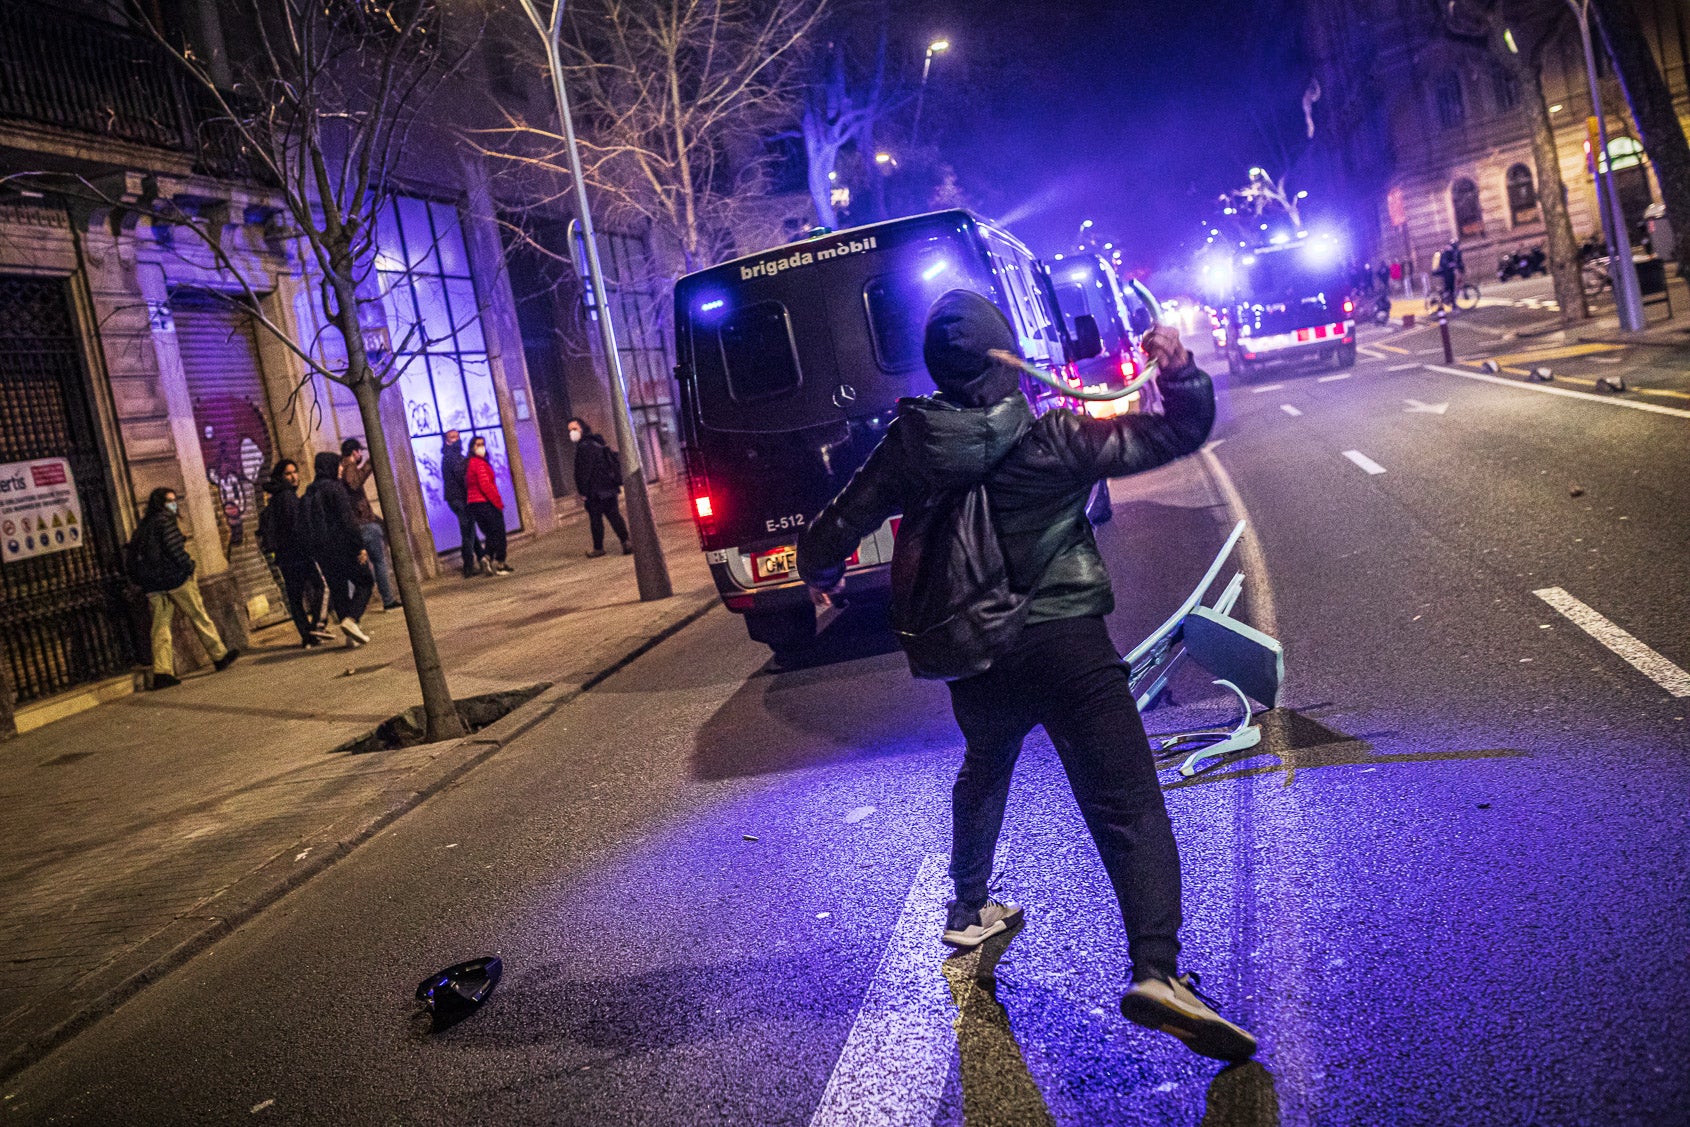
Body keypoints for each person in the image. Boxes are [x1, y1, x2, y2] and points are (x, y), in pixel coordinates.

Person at [796, 290, 1256, 1064]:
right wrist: (1178, 373)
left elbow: (834, 527)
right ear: (1006, 355)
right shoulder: (1056, 436)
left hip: (979, 656)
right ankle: (1156, 971)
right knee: (1128, 802)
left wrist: (822, 569)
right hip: (1069, 647)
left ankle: (969, 906)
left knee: (985, 766)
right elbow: (1179, 429)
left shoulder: (911, 443)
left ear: (940, 366)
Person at [127, 487, 239, 688]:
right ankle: (219, 655)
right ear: (161, 504)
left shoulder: (142, 527)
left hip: (153, 585)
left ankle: (162, 672)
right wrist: (188, 566)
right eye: (170, 501)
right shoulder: (165, 522)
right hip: (175, 580)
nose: (174, 504)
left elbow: (133, 557)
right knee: (198, 615)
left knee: (160, 627)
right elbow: (174, 549)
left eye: (174, 499)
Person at [258, 460, 330, 648]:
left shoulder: (275, 497)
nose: (294, 476)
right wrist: (310, 547)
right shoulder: (288, 497)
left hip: (285, 557)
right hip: (299, 553)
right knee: (322, 586)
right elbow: (296, 527)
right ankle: (317, 626)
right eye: (288, 473)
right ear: (281, 477)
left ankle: (307, 635)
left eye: (295, 471)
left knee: (295, 596)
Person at [306, 451, 373, 645]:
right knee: (365, 581)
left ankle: (350, 636)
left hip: (323, 552)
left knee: (339, 590)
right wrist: (359, 546)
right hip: (343, 546)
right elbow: (348, 521)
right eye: (338, 465)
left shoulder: (311, 491)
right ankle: (352, 620)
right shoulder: (335, 489)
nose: (341, 468)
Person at [339, 437, 400, 610]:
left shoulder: (340, 469)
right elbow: (354, 484)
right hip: (363, 524)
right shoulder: (349, 467)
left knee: (354, 565)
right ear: (354, 452)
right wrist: (369, 464)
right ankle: (387, 600)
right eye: (360, 452)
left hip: (357, 524)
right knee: (378, 561)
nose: (360, 455)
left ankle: (349, 606)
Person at [568, 417, 629, 558]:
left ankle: (598, 548)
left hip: (595, 491)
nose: (571, 433)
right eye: (570, 430)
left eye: (574, 429)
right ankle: (626, 541)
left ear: (582, 429)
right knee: (614, 516)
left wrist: (583, 491)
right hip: (608, 487)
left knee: (596, 520)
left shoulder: (584, 447)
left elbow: (584, 472)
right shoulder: (597, 442)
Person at [464, 435, 512, 575]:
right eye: (478, 444)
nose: (481, 447)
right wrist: (497, 502)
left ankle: (487, 558)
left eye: (483, 444)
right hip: (485, 502)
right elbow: (485, 485)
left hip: (475, 503)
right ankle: (499, 562)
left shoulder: (471, 463)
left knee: (491, 533)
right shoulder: (478, 464)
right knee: (498, 532)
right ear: (472, 447)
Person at [441, 429, 484, 579]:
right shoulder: (451, 456)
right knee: (467, 530)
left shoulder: (455, 455)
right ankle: (468, 565)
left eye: (458, 436)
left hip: (458, 497)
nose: (456, 439)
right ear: (447, 440)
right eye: (452, 437)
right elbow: (461, 475)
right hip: (459, 498)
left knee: (469, 528)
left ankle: (482, 558)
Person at [1435, 239, 1463, 304]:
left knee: (1450, 289)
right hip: (1447, 273)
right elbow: (1446, 262)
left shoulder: (1450, 251)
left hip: (1448, 272)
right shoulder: (1448, 251)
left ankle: (1450, 302)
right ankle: (1451, 305)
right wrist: (1450, 265)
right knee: (1450, 289)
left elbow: (1455, 262)